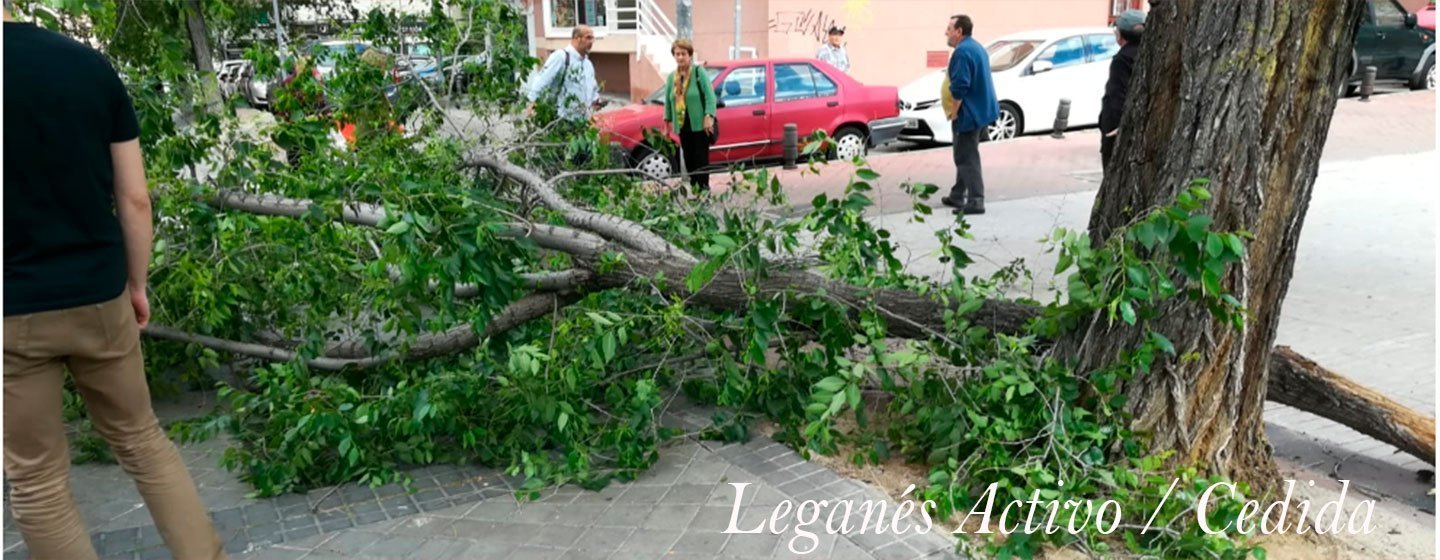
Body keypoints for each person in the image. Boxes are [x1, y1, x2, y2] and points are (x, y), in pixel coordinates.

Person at [2, 5, 228, 560]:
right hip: (100, 295)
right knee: (143, 441)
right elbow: (135, 199)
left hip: (11, 313)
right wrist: (137, 284)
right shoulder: (86, 65)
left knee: (36, 480)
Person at [941, 14, 998, 216]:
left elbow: (960, 86)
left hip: (969, 113)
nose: (946, 32)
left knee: (965, 156)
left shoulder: (962, 53)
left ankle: (976, 200)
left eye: (949, 28)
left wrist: (954, 112)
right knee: (967, 152)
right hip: (982, 111)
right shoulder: (976, 48)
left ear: (959, 31)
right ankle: (957, 194)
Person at [662, 38, 718, 193]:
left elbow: (710, 97)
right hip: (682, 126)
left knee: (701, 161)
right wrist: (666, 125)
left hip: (700, 125)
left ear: (690, 55)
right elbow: (668, 101)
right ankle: (695, 190)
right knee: (689, 161)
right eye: (677, 54)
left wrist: (708, 116)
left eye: (683, 54)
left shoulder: (699, 73)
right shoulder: (671, 77)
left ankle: (704, 192)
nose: (680, 57)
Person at [523, 25, 603, 122]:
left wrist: (596, 100)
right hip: (562, 120)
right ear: (577, 38)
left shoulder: (588, 64)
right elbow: (542, 80)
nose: (591, 42)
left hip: (582, 122)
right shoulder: (561, 57)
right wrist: (532, 102)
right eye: (588, 38)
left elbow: (592, 87)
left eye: (592, 38)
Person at [1099, 9, 1146, 172]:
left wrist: (1115, 125)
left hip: (1116, 130)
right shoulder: (1149, 54)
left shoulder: (1122, 60)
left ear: (1120, 34)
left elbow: (1116, 95)